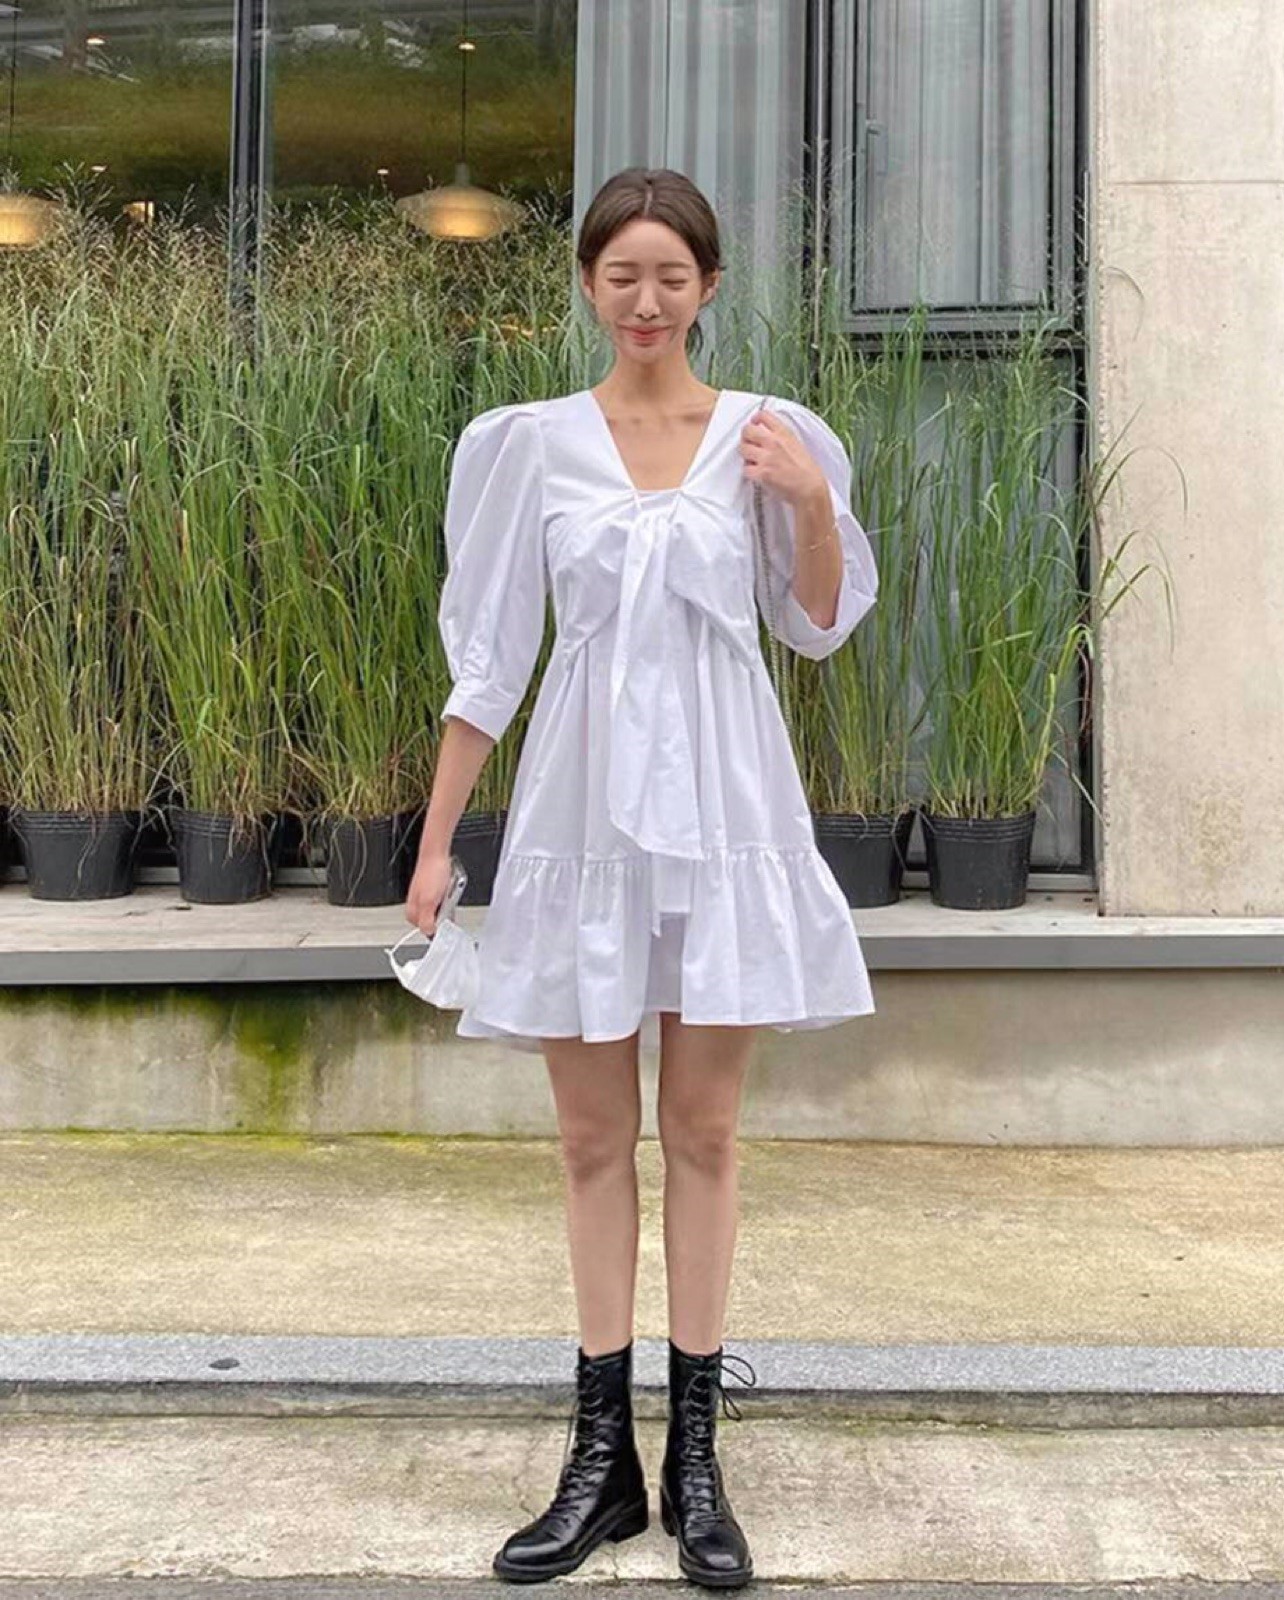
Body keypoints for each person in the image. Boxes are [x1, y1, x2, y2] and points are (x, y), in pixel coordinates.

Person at [404, 167, 879, 1588]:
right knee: (589, 1138)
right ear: (589, 285)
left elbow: (815, 624)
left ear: (709, 286)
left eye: (673, 276)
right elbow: (490, 657)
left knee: (707, 1132)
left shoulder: (772, 437)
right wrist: (434, 842)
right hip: (582, 812)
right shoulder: (529, 445)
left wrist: (806, 502)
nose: (648, 300)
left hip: (724, 807)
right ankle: (600, 1461)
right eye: (624, 275)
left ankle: (698, 1464)